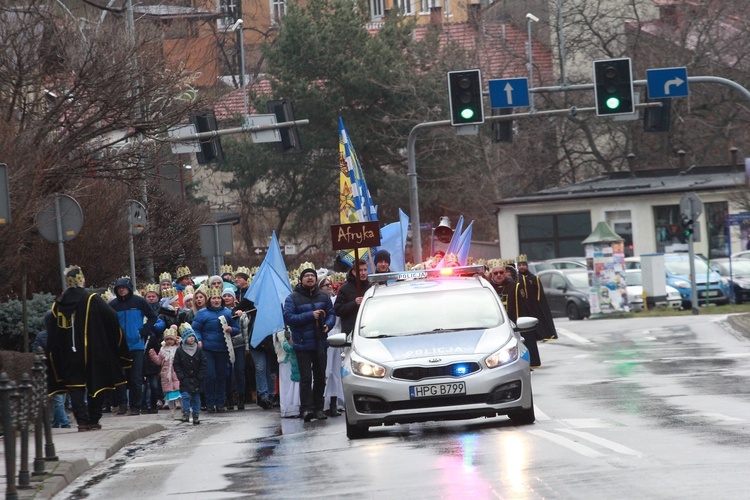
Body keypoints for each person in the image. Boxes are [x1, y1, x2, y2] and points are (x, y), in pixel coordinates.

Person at [46, 266, 129, 431]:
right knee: (96, 385)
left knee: (75, 387)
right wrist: (111, 342)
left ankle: (82, 422)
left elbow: (53, 330)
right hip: (93, 351)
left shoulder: (58, 304)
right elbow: (112, 317)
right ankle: (93, 419)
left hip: (69, 354)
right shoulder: (92, 299)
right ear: (82, 280)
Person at [283, 267, 335, 422]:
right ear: (301, 279)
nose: (310, 278)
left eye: (312, 275)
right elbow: (289, 318)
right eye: (307, 276)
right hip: (302, 343)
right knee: (306, 378)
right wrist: (310, 316)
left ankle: (319, 408)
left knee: (320, 377)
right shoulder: (292, 298)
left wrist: (329, 325)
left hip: (320, 341)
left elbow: (331, 313)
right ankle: (306, 409)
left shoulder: (324, 297)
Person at [109, 276, 158, 416]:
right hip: (119, 347)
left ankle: (136, 407)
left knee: (136, 378)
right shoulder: (113, 305)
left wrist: (143, 331)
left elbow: (153, 316)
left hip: (136, 345)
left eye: (123, 288)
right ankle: (123, 405)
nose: (121, 290)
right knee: (121, 378)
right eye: (119, 289)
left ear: (129, 289)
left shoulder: (139, 301)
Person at [191, 285, 239, 413]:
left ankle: (220, 403)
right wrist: (199, 340)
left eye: (218, 298)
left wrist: (231, 330)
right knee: (210, 375)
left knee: (221, 376)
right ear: (210, 299)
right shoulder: (202, 313)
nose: (216, 300)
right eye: (214, 298)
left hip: (223, 349)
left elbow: (237, 328)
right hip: (208, 348)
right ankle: (210, 403)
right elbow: (195, 329)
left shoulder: (228, 313)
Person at [489, 264, 541, 368]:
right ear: (491, 275)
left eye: (501, 272)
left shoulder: (514, 286)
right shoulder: (488, 288)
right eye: (496, 273)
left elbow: (521, 308)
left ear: (505, 273)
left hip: (512, 325)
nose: (499, 275)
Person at [34, 313, 71, 428]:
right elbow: (37, 352)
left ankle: (55, 422)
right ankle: (64, 422)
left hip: (61, 370)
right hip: (51, 370)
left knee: (61, 397)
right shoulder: (43, 336)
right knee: (58, 398)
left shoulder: (61, 334)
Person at [516, 254, 558, 348]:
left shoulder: (534, 278)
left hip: (533, 304)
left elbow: (539, 293)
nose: (521, 267)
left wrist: (537, 303)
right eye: (520, 265)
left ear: (527, 266)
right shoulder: (517, 278)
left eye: (523, 265)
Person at [173, 324, 207, 425]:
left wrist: (201, 375)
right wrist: (180, 376)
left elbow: (203, 363)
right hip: (185, 379)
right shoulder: (180, 350)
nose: (191, 338)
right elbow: (176, 364)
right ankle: (186, 413)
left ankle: (196, 415)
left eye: (193, 336)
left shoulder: (199, 350)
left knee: (196, 398)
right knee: (185, 396)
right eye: (189, 337)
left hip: (197, 379)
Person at [320, 276, 344, 417]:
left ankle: (334, 403)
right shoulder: (320, 301)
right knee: (326, 370)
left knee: (335, 371)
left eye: (330, 284)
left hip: (337, 334)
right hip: (326, 334)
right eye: (326, 285)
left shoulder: (335, 300)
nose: (329, 287)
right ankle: (323, 402)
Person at [223, 286, 248, 410]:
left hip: (239, 344)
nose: (227, 298)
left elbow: (245, 330)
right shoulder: (220, 312)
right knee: (227, 372)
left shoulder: (241, 313)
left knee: (239, 371)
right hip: (226, 345)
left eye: (229, 296)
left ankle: (241, 397)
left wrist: (247, 346)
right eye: (225, 296)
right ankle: (229, 397)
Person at [148, 326, 181, 418]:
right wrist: (153, 355)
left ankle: (182, 408)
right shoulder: (162, 350)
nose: (169, 341)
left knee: (178, 390)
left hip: (176, 372)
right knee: (169, 392)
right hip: (166, 374)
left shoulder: (178, 349)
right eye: (167, 339)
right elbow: (158, 361)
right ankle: (171, 410)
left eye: (171, 339)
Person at [334, 259, 371, 336]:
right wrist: (354, 303)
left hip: (369, 331)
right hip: (351, 333)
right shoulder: (345, 289)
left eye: (365, 270)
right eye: (360, 270)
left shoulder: (371, 287)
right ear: (354, 272)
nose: (363, 273)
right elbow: (338, 310)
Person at [273, 328, 300, 418]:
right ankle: (287, 410)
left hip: (293, 361)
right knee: (286, 386)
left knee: (292, 385)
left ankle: (293, 409)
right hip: (286, 361)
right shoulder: (280, 329)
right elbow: (287, 347)